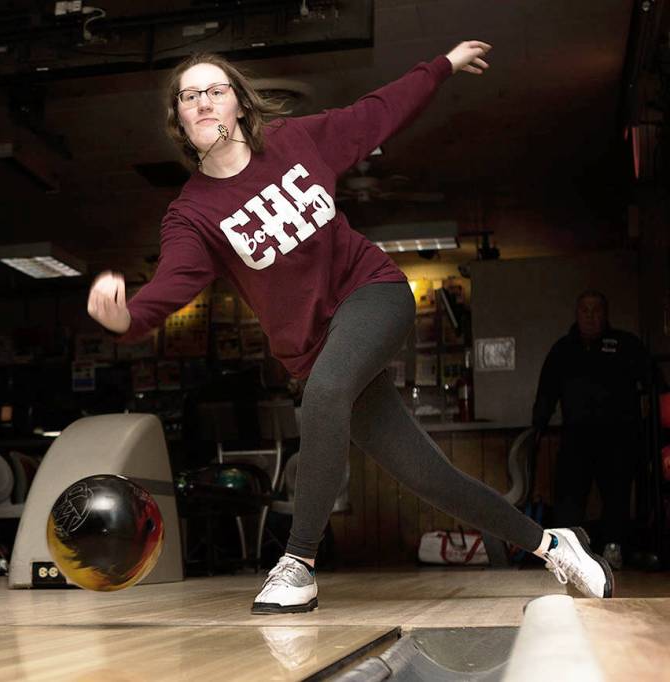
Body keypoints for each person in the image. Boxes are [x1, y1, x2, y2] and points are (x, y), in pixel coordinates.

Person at [87, 42, 615, 614]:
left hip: (373, 293)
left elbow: (375, 112)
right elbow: (173, 280)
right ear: (180, 118)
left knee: (325, 392)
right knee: (427, 475)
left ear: (239, 103)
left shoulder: (293, 141)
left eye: (216, 90)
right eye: (190, 96)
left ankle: (298, 562)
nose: (204, 102)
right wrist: (128, 316)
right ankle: (553, 545)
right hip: (314, 348)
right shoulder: (192, 214)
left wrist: (442, 65)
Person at [532, 290, 649, 570]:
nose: (590, 316)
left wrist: (645, 430)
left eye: (596, 310)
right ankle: (567, 555)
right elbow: (547, 392)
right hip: (577, 436)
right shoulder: (563, 349)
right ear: (577, 314)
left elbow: (652, 384)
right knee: (569, 497)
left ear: (605, 314)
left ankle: (614, 548)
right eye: (585, 310)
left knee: (617, 494)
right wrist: (538, 425)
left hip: (618, 436)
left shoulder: (624, 345)